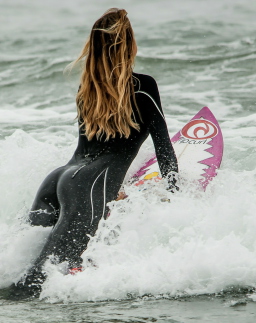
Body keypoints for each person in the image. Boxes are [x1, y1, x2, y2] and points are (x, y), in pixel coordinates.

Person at [9, 8, 178, 298]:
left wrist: (113, 189)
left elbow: (88, 149)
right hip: (88, 185)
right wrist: (178, 196)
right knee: (47, 280)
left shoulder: (86, 89)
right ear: (129, 45)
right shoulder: (143, 86)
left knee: (25, 270)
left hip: (59, 179)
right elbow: (164, 149)